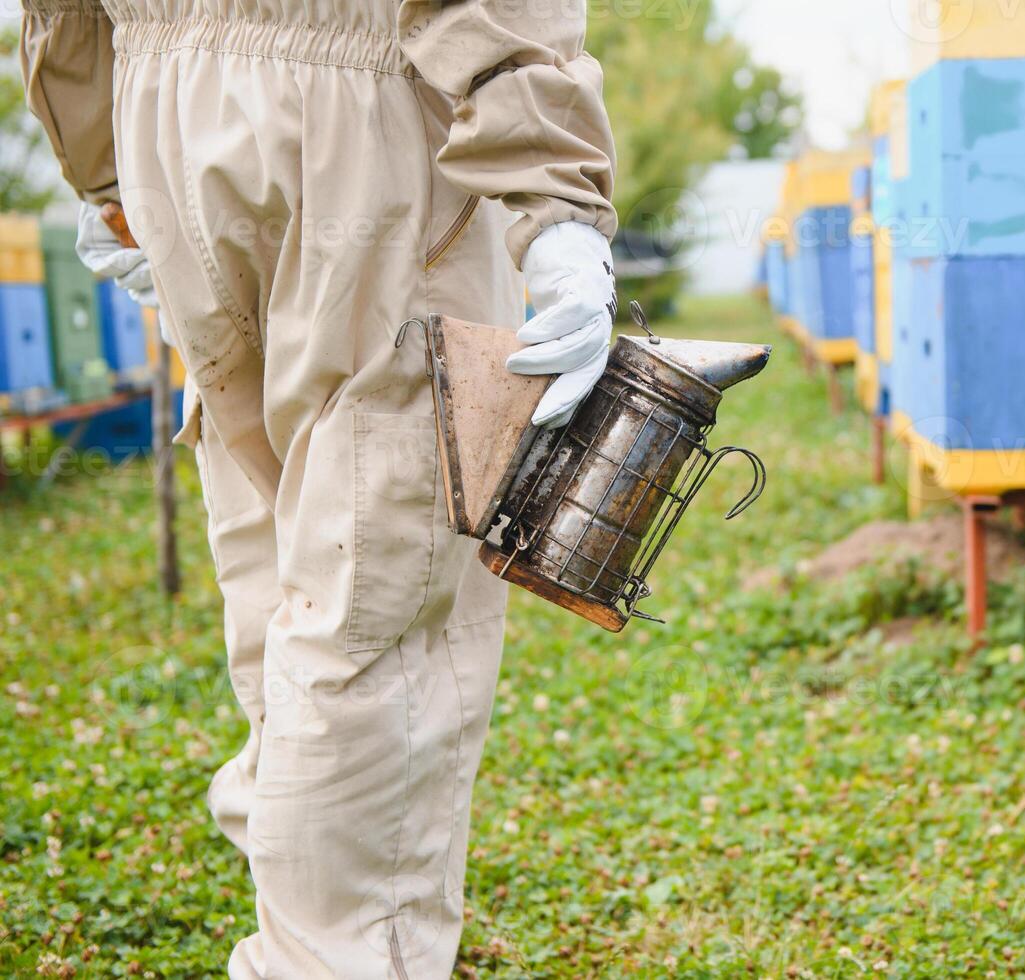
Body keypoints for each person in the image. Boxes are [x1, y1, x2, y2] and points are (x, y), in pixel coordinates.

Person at [21, 1, 618, 976]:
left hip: (168, 105)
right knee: (374, 587)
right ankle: (336, 952)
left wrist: (107, 166)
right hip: (366, 104)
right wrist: (559, 195)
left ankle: (310, 902)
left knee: (285, 561)